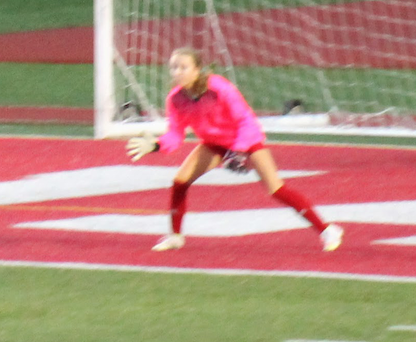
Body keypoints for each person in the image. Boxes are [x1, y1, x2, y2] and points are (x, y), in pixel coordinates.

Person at [127, 47, 343, 253]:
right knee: (180, 181)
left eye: (183, 67)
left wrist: (238, 151)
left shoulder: (218, 87)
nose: (177, 72)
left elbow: (246, 120)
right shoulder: (175, 98)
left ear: (197, 69)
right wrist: (155, 145)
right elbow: (175, 134)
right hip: (214, 145)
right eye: (174, 67)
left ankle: (327, 230)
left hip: (245, 142)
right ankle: (175, 236)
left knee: (276, 188)